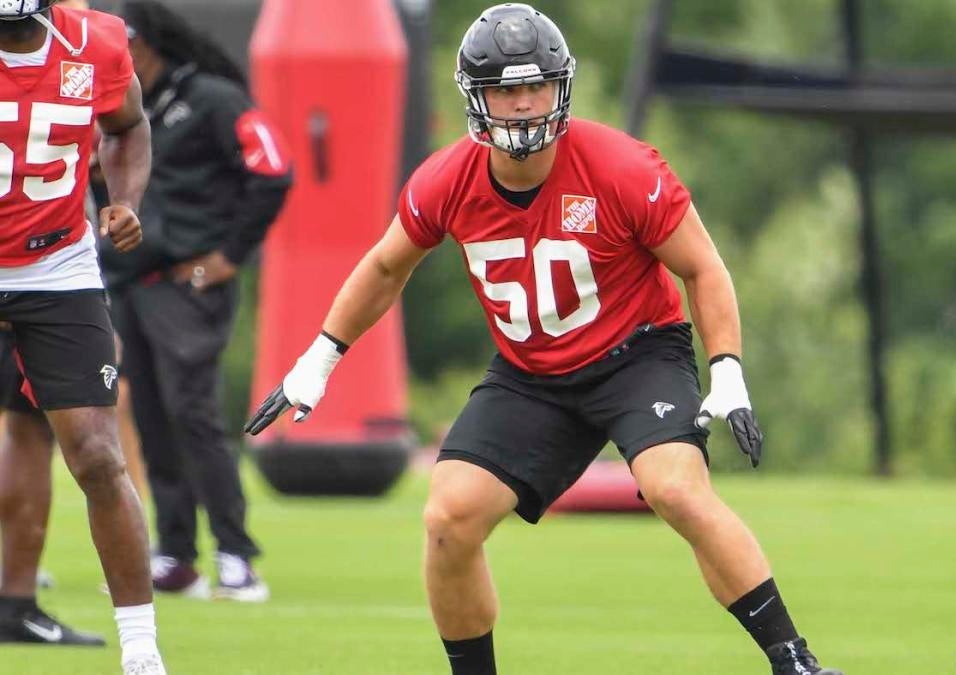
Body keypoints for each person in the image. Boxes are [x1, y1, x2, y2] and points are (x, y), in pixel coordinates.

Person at [247, 5, 839, 674]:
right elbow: (386, 265)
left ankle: (795, 661)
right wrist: (319, 360)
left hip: (636, 353)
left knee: (677, 489)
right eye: (506, 88)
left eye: (535, 86)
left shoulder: (620, 166)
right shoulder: (447, 180)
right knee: (448, 517)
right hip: (531, 372)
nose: (524, 104)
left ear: (561, 87)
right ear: (476, 97)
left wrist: (726, 368)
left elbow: (702, 266)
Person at [99, 0, 290, 604]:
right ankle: (177, 556)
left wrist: (230, 256)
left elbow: (273, 170)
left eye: (124, 39)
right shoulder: (128, 108)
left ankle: (236, 554)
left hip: (188, 285)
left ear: (148, 42)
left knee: (194, 415)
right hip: (132, 283)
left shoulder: (212, 97)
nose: (116, 51)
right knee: (152, 417)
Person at [0, 0, 166, 673]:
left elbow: (127, 127)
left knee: (98, 455)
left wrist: (125, 200)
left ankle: (141, 650)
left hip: (54, 264)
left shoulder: (93, 41)